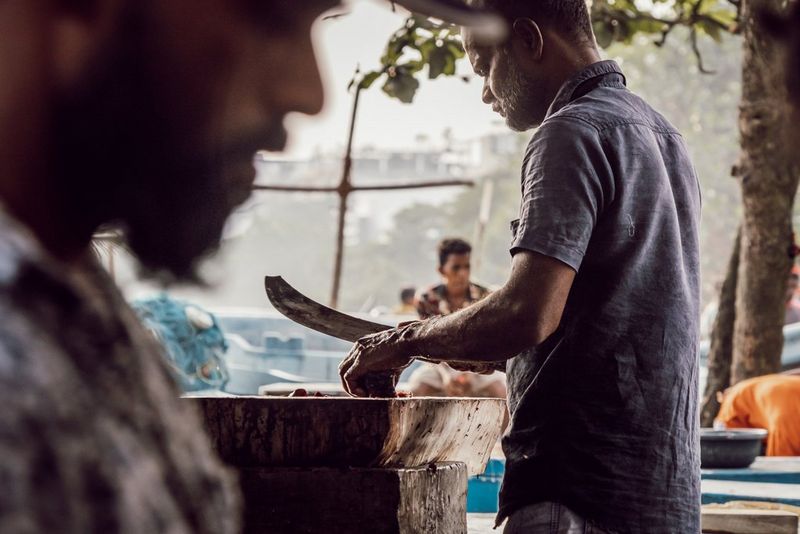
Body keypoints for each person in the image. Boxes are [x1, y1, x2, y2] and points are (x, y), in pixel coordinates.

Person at [338, 0, 702, 532]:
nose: (485, 91)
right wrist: (486, 350)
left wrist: (406, 342)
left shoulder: (570, 132)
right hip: (663, 491)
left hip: (576, 490)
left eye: (485, 67)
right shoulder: (666, 137)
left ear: (530, 40)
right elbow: (614, 323)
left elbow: (526, 315)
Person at [408, 238, 505, 398]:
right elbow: (426, 345)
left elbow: (488, 343)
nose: (463, 273)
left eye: (467, 267)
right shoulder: (426, 298)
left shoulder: (486, 296)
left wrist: (470, 373)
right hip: (438, 365)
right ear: (441, 270)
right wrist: (447, 376)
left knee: (502, 391)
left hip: (479, 364)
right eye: (456, 268)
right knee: (416, 390)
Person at [715, 374, 800, 456]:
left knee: (782, 465)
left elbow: (723, 432)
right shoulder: (749, 387)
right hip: (787, 408)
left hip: (785, 418)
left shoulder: (731, 398)